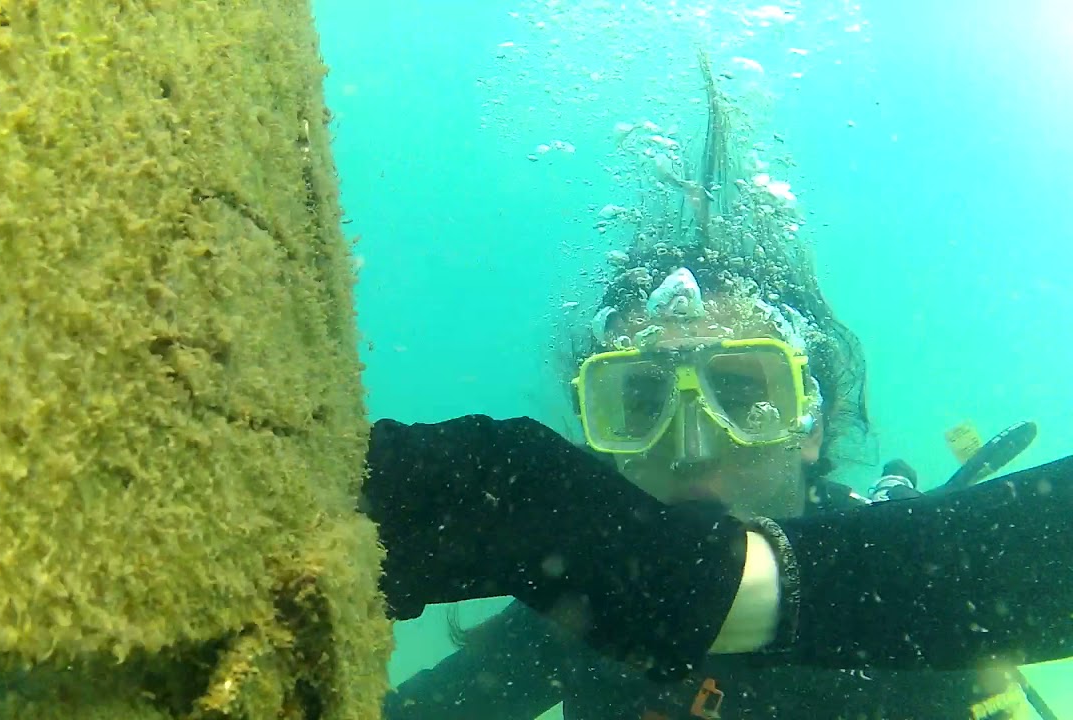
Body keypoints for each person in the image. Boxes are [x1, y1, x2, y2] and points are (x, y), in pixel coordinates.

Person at [355, 48, 1073, 708]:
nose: (692, 446)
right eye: (637, 402)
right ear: (594, 436)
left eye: (742, 394)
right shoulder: (568, 615)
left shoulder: (927, 604)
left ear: (811, 423)